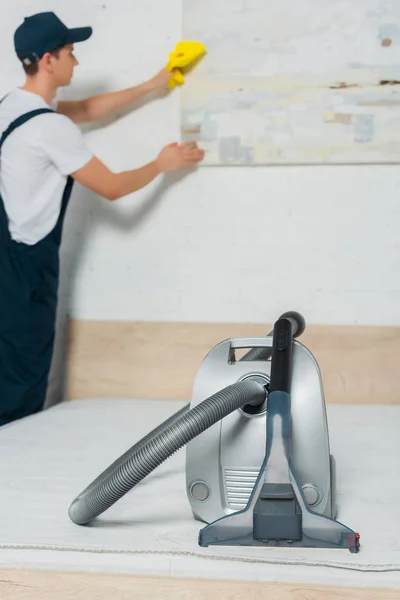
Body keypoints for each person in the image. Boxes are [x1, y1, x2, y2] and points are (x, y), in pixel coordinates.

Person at [0, 12, 204, 427]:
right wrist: (162, 163)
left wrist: (154, 83)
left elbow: (90, 107)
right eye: (70, 53)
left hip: (7, 262)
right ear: (47, 60)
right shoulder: (51, 129)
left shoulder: (12, 106)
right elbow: (111, 187)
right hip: (26, 273)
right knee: (21, 383)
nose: (77, 62)